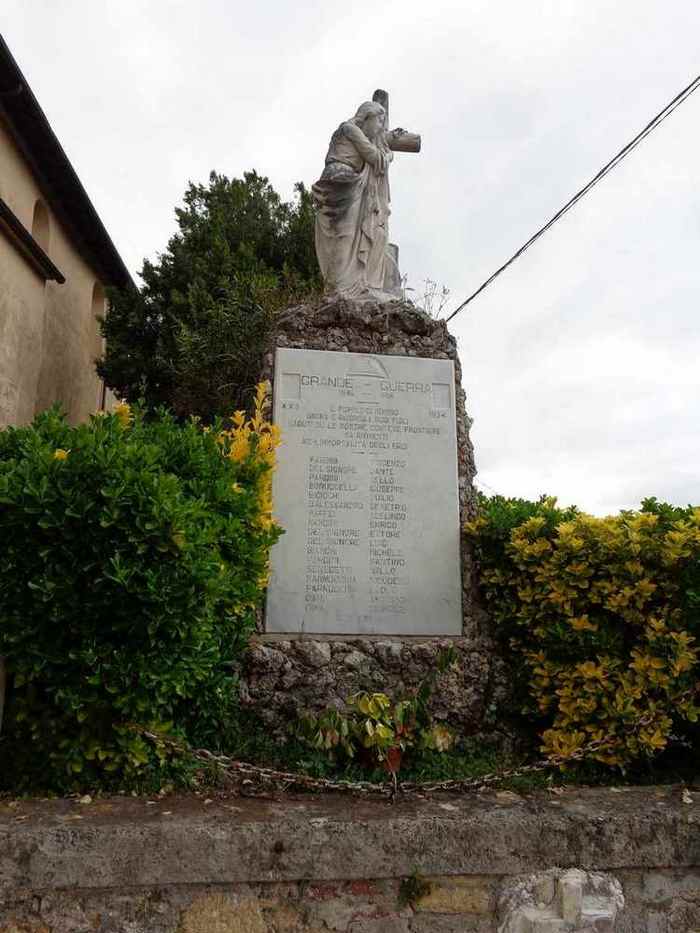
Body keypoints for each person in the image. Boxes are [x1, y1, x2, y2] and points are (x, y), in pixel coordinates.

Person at [312, 101, 401, 299]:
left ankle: (344, 285)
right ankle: (341, 287)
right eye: (378, 122)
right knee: (344, 236)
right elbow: (374, 156)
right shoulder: (350, 129)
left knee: (347, 237)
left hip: (341, 182)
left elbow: (374, 145)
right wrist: (389, 154)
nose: (379, 128)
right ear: (366, 117)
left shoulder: (349, 129)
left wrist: (387, 139)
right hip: (343, 184)